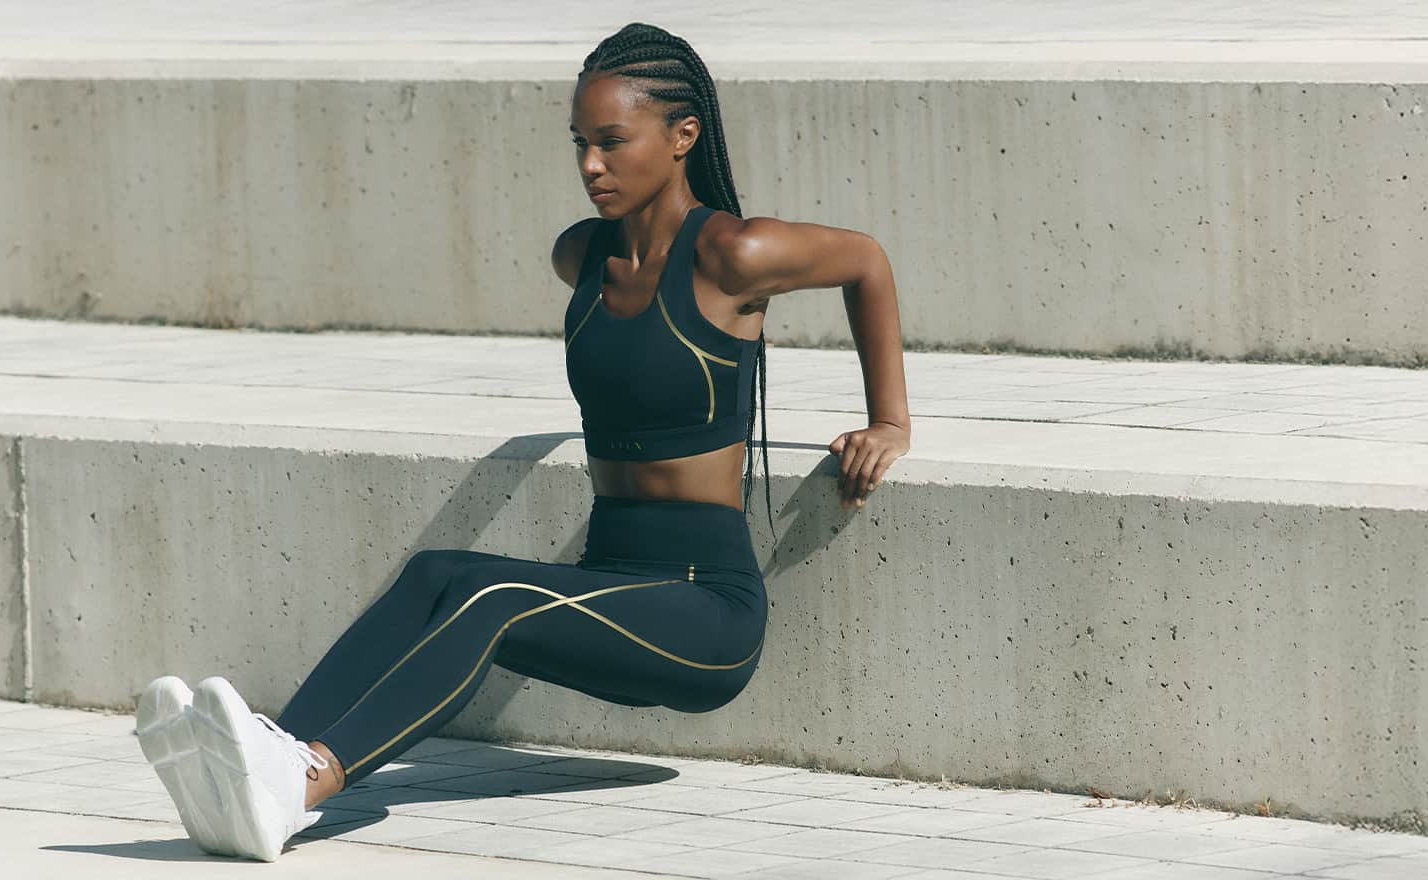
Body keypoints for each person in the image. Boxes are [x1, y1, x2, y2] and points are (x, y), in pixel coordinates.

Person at [131, 21, 912, 862]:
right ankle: (263, 766)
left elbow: (866, 260)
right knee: (438, 571)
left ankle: (309, 780)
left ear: (682, 136)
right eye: (581, 143)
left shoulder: (733, 253)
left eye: (612, 142)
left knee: (492, 601)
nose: (590, 166)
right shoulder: (583, 257)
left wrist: (890, 422)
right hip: (610, 583)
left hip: (703, 612)